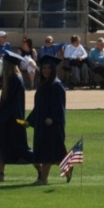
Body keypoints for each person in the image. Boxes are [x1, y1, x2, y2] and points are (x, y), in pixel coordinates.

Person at [0, 50, 34, 182]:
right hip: (6, 119)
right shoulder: (10, 79)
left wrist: (0, 116)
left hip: (14, 120)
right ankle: (0, 174)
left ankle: (44, 167)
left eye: (5, 63)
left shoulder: (16, 79)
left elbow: (13, 103)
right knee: (2, 145)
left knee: (22, 150)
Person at [27, 54, 70, 186]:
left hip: (52, 125)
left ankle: (43, 179)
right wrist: (29, 120)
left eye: (49, 68)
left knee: (47, 153)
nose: (46, 70)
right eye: (44, 68)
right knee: (51, 154)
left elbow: (60, 106)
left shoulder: (57, 86)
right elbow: (38, 107)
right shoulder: (43, 85)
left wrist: (52, 117)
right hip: (41, 124)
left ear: (53, 69)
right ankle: (67, 166)